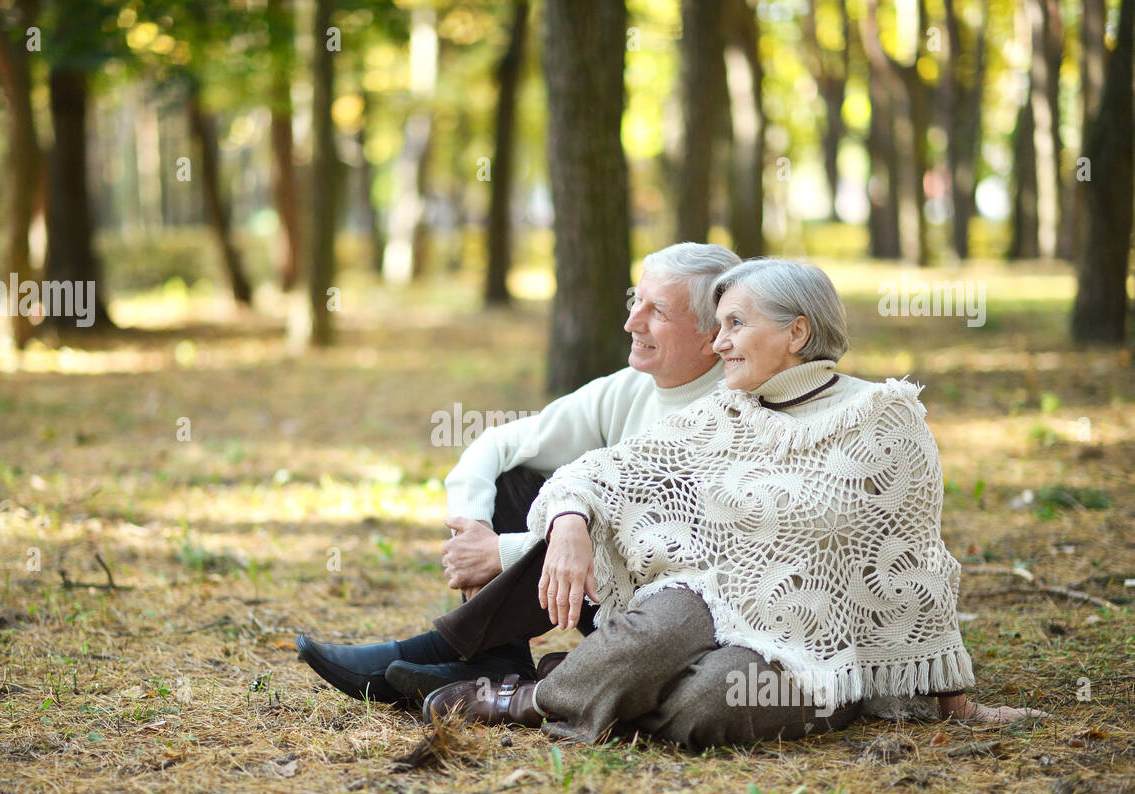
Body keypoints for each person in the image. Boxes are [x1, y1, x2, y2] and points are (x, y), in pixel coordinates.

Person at [421, 259, 1047, 747]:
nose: (717, 344)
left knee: (710, 704)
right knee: (662, 624)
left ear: (797, 332)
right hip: (707, 599)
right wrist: (568, 521)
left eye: (735, 325)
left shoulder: (882, 419)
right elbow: (607, 470)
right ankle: (532, 699)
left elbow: (915, 564)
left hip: (822, 646)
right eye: (717, 325)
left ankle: (570, 689)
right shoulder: (724, 413)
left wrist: (955, 702)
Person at [296, 242, 741, 704]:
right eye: (637, 302)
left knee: (587, 525)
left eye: (658, 312)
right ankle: (495, 660)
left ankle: (446, 647)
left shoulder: (728, 412)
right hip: (594, 590)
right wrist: (475, 529)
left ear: (712, 336)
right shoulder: (632, 386)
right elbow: (498, 443)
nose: (632, 322)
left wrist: (500, 552)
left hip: (665, 616)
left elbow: (646, 548)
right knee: (517, 480)